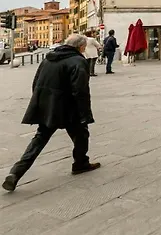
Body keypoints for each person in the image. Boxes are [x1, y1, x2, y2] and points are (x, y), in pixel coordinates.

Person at [2, 34, 100, 192]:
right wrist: (85, 114)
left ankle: (16, 172)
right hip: (69, 108)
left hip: (48, 106)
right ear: (81, 47)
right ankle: (80, 163)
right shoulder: (78, 61)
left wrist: (41, 103)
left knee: (39, 139)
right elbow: (80, 90)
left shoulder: (48, 58)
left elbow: (36, 82)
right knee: (81, 134)